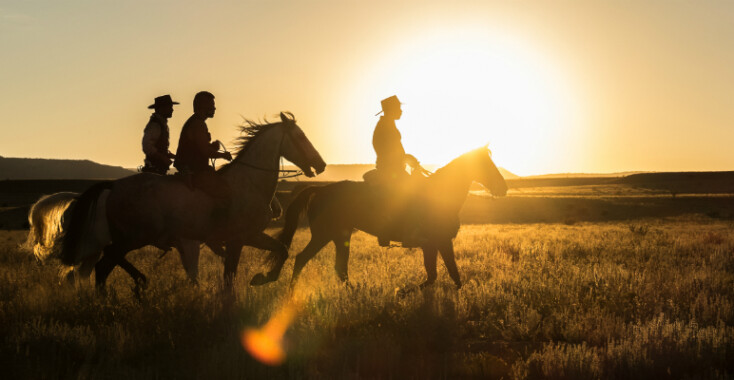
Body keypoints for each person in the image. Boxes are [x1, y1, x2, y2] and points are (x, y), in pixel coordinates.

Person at [368, 95, 427, 247]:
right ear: (391, 110)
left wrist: (407, 158)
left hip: (394, 168)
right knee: (411, 193)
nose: (401, 111)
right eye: (398, 108)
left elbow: (394, 150)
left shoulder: (388, 124)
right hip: (389, 170)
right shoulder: (385, 126)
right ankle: (407, 234)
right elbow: (384, 149)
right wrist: (401, 160)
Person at [174, 91, 233, 234]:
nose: (214, 108)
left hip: (194, 168)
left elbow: (199, 148)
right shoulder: (198, 124)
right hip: (195, 171)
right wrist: (223, 155)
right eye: (212, 105)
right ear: (202, 106)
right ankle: (215, 230)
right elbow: (205, 152)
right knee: (226, 191)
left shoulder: (196, 122)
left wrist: (212, 147)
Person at [141, 94, 179, 175]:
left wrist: (171, 156)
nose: (172, 110)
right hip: (154, 170)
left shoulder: (160, 124)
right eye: (170, 107)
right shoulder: (155, 125)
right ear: (162, 108)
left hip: (157, 169)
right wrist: (162, 158)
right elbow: (147, 146)